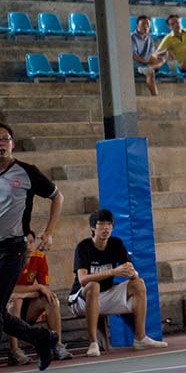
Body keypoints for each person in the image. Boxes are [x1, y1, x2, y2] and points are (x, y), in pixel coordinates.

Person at [0, 122, 62, 370]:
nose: (1, 144)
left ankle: (42, 340)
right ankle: (42, 339)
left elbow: (57, 196)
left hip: (13, 249)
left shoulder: (26, 172)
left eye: (5, 139)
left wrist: (48, 232)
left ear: (12, 143)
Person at [67, 209, 168, 357]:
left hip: (107, 295)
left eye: (109, 224)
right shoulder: (84, 247)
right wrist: (113, 272)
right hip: (81, 298)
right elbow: (83, 280)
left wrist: (132, 273)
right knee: (94, 285)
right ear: (93, 228)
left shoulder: (116, 244)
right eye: (101, 224)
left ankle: (140, 338)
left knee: (139, 284)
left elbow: (131, 270)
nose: (106, 228)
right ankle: (93, 343)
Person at [6, 230, 73, 365]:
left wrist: (26, 292)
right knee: (16, 302)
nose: (29, 246)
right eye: (26, 243)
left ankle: (57, 345)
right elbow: (8, 289)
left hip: (29, 307)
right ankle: (14, 351)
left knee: (51, 298)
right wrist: (36, 288)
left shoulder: (39, 258)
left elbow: (44, 289)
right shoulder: (9, 259)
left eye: (31, 242)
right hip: (8, 309)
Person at [131, 15, 165, 97]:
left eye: (148, 24)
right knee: (150, 73)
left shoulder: (149, 38)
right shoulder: (132, 37)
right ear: (137, 25)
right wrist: (146, 61)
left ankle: (148, 68)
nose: (146, 26)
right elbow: (134, 56)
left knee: (162, 59)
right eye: (143, 24)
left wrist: (161, 53)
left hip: (146, 64)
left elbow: (152, 54)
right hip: (135, 64)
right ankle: (156, 97)